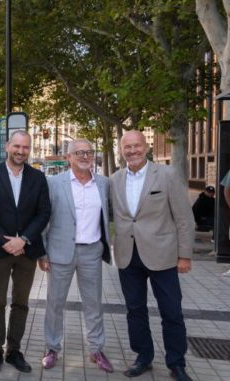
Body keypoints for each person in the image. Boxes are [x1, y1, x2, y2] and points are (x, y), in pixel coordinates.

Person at [110, 130, 195, 381]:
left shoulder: (167, 175)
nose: (132, 151)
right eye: (127, 147)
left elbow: (183, 217)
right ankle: (143, 357)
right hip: (128, 256)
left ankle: (176, 362)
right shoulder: (114, 179)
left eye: (137, 146)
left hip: (163, 255)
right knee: (135, 311)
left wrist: (185, 256)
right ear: (121, 151)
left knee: (171, 311)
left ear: (146, 147)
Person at [38, 139, 113, 373]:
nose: (85, 156)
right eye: (79, 152)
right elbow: (44, 219)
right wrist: (42, 252)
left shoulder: (103, 183)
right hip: (60, 252)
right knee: (55, 303)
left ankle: (97, 349)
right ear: (68, 157)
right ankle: (52, 348)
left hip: (92, 251)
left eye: (89, 152)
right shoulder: (54, 183)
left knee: (94, 304)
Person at [0, 130, 51, 373]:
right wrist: (5, 241)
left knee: (21, 302)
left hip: (26, 252)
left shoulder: (38, 178)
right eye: (17, 146)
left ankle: (14, 350)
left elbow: (44, 212)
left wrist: (24, 240)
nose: (21, 151)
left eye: (26, 147)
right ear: (8, 146)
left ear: (30, 149)